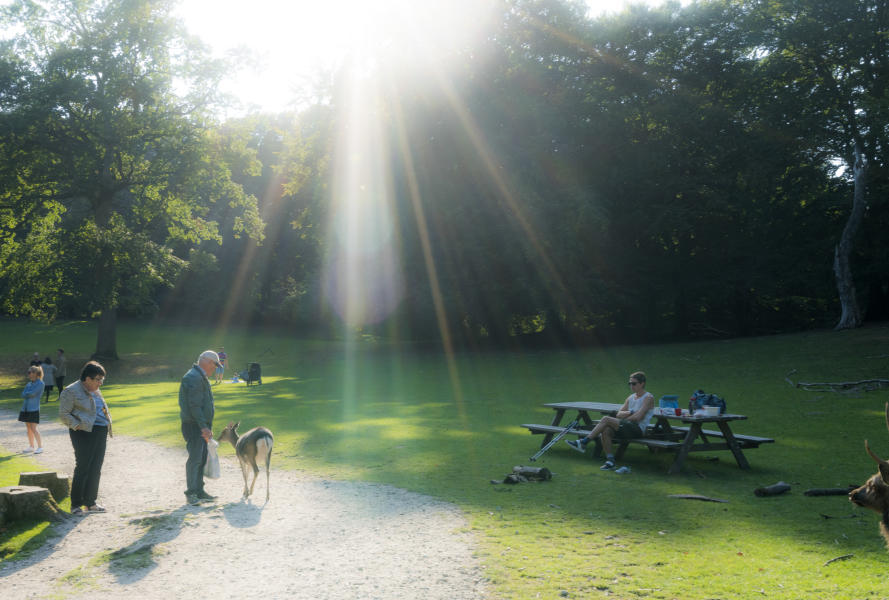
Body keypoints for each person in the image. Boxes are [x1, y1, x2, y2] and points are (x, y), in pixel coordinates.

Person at [566, 371, 655, 470]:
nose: (631, 386)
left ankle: (584, 442)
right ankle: (610, 461)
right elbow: (618, 414)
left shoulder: (648, 397)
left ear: (642, 383)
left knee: (606, 419)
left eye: (634, 383)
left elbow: (638, 418)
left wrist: (624, 418)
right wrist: (631, 412)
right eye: (629, 383)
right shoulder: (630, 398)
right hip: (626, 427)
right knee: (606, 430)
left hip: (638, 430)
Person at [60, 361, 112, 515]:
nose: (100, 383)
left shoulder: (95, 389)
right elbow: (64, 414)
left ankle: (90, 503)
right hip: (84, 432)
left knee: (96, 467)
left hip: (101, 430)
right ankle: (76, 505)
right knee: (83, 466)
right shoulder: (70, 391)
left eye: (102, 379)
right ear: (87, 378)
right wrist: (78, 426)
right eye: (98, 379)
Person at [180, 350, 221, 505]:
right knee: (195, 459)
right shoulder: (194, 377)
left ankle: (199, 491)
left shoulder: (199, 376)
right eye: (214, 364)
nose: (214, 368)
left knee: (202, 458)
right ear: (206, 361)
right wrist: (203, 427)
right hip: (194, 425)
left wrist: (206, 426)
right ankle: (191, 493)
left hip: (199, 425)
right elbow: (194, 406)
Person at [19, 365, 45, 454]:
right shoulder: (29, 384)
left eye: (30, 372)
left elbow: (33, 394)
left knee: (33, 428)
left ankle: (40, 447)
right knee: (28, 428)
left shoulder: (41, 383)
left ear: (35, 373)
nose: (29, 374)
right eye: (28, 372)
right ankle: (31, 446)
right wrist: (27, 393)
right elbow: (22, 394)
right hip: (25, 409)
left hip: (34, 409)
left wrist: (27, 393)